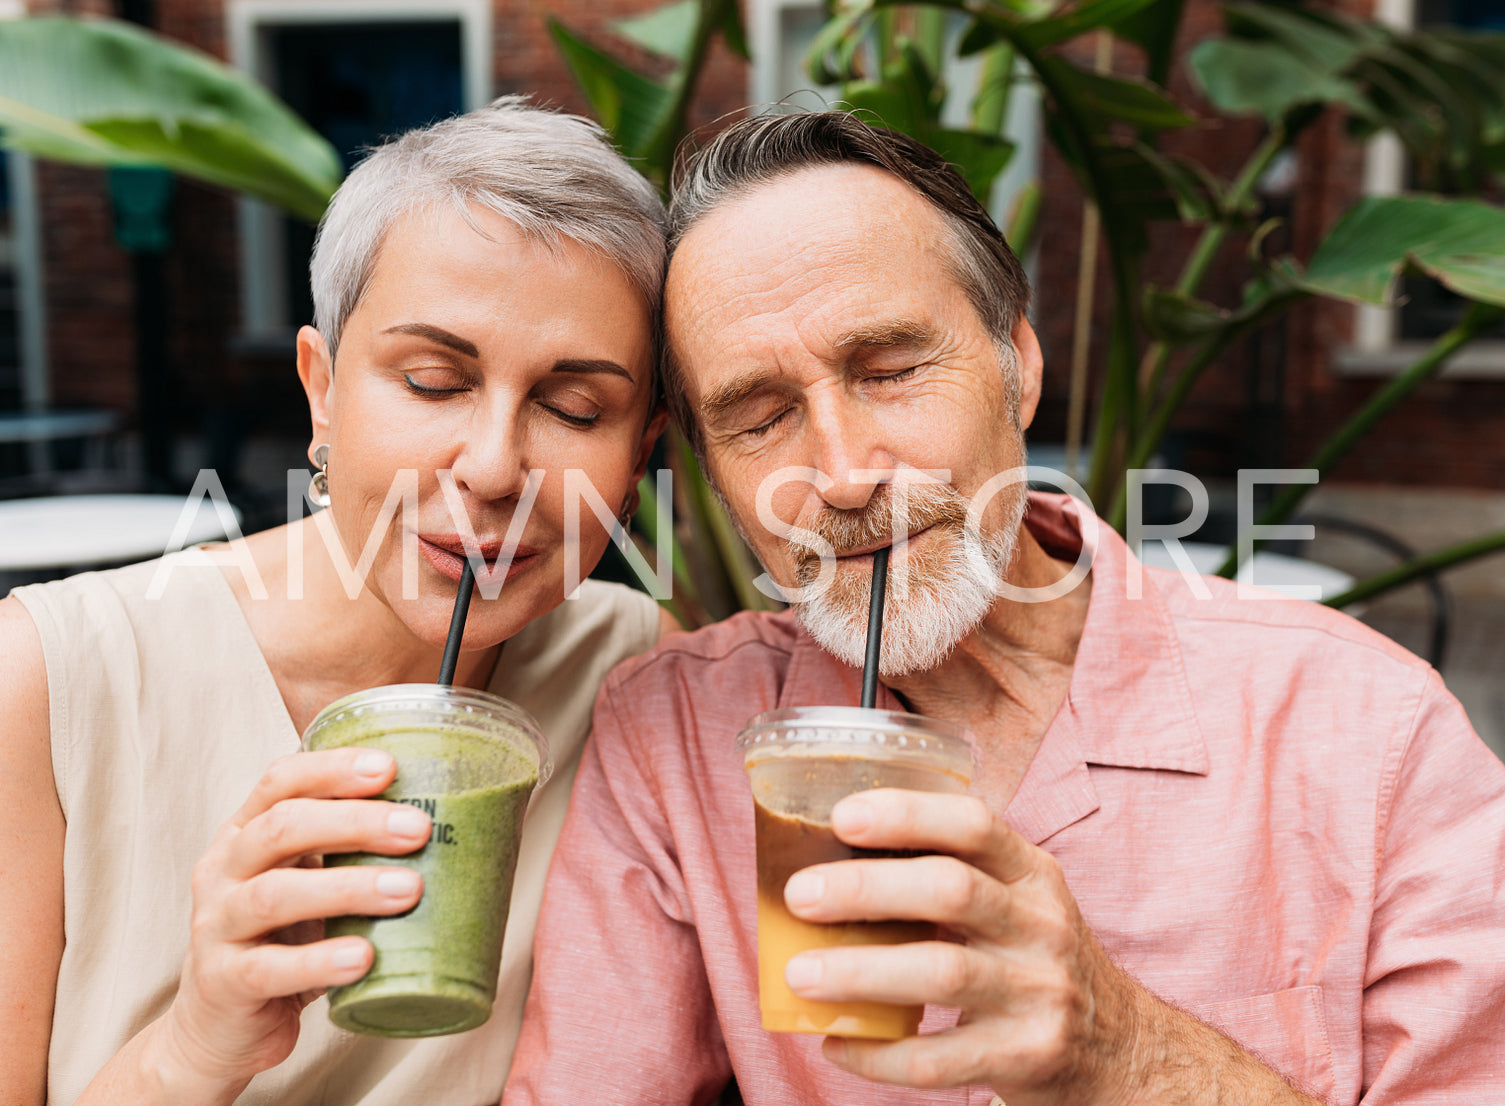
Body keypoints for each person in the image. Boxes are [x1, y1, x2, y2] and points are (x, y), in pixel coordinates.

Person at [505, 111, 1505, 1104]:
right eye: (759, 415)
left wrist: (1132, 1055)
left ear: (1016, 365)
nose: (845, 475)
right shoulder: (672, 739)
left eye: (890, 370)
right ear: (717, 478)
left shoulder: (1365, 730)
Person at [0, 96, 677, 1106]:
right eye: (431, 380)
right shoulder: (48, 681)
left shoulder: (637, 673)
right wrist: (193, 1043)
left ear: (637, 458)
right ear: (323, 391)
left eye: (575, 406)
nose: (494, 467)